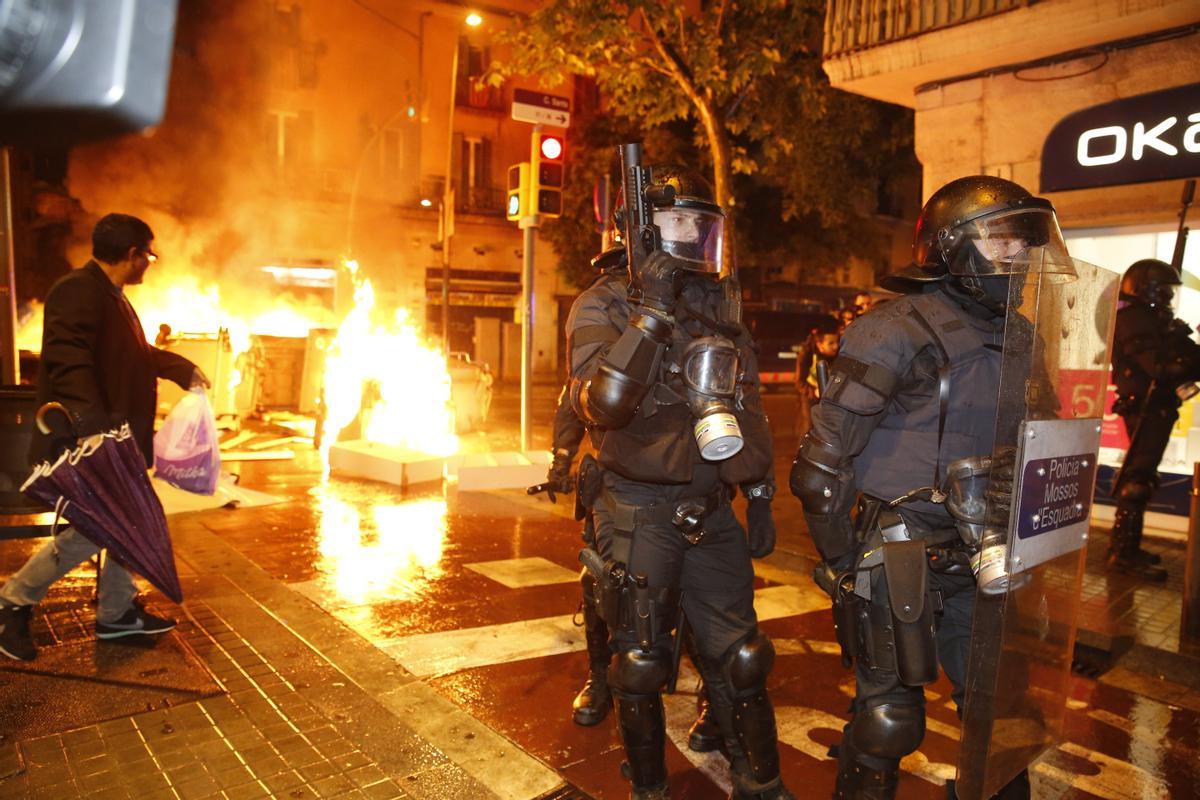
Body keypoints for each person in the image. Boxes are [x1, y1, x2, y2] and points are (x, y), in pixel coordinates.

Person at [789, 175, 1074, 800]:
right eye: (1002, 240)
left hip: (988, 554)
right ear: (951, 247)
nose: (1019, 256)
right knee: (890, 720)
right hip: (897, 553)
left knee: (1001, 723)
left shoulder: (1023, 333)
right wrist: (844, 565)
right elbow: (819, 469)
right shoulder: (893, 328)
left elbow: (1044, 442)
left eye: (1025, 242)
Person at [567, 163, 792, 800]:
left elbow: (746, 404)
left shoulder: (718, 303)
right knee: (639, 662)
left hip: (710, 507)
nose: (692, 232)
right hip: (637, 508)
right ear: (640, 226)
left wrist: (761, 491)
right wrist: (652, 314)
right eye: (677, 219)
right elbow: (602, 404)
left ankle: (760, 778)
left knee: (742, 654)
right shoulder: (603, 303)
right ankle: (648, 788)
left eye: (702, 221)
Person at [542, 225, 723, 752]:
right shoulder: (602, 308)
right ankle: (601, 678)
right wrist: (560, 457)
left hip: (689, 479)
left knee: (696, 596)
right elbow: (580, 396)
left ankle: (713, 692)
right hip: (616, 483)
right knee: (608, 594)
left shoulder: (701, 303)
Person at [0, 213, 206, 662]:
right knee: (95, 529)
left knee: (122, 523)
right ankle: (13, 602)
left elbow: (134, 354)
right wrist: (95, 428)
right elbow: (68, 360)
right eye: (149, 254)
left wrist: (181, 369)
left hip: (115, 440)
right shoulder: (79, 290)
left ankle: (116, 615)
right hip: (90, 443)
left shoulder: (112, 296)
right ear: (132, 255)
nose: (151, 262)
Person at [1108, 258, 1200, 581]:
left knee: (1140, 477)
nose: (1170, 299)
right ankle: (1123, 554)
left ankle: (1124, 550)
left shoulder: (1153, 319)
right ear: (1150, 291)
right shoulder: (1135, 319)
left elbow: (1185, 361)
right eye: (1165, 291)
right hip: (1144, 409)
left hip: (1158, 408)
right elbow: (1161, 369)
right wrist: (1184, 360)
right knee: (1136, 482)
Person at [793, 324, 840, 441]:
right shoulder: (807, 354)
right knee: (808, 427)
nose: (836, 346)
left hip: (831, 398)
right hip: (810, 397)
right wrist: (814, 392)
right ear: (820, 344)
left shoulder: (839, 355)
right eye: (831, 343)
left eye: (837, 342)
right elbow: (799, 382)